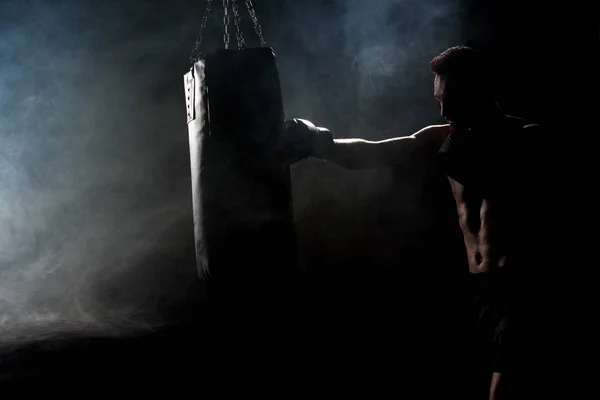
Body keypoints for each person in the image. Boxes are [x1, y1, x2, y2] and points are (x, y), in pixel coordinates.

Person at [281, 45, 542, 399]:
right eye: (438, 101)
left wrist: (456, 153)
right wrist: (316, 142)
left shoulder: (528, 139)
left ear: (481, 90)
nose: (445, 110)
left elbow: (501, 178)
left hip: (520, 291)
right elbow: (373, 153)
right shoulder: (444, 140)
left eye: (452, 98)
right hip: (476, 292)